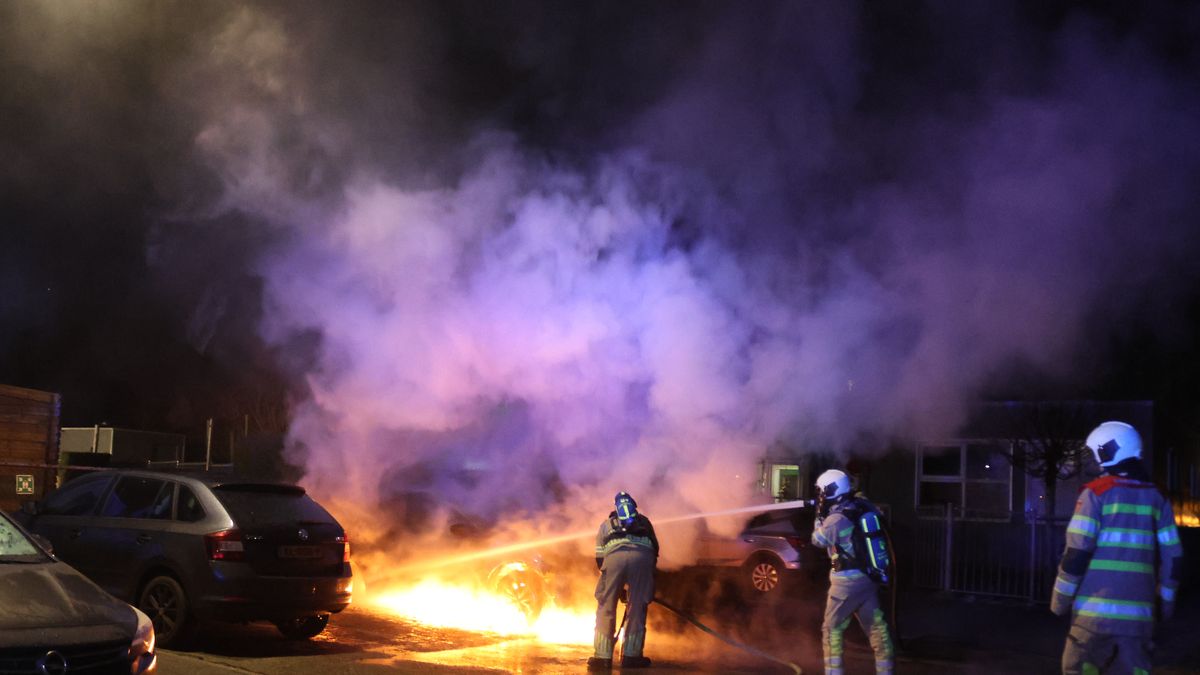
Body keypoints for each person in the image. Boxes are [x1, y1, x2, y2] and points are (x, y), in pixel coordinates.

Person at [1051, 421, 1183, 675]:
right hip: (1140, 619)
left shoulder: (1095, 494)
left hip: (1093, 618)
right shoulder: (1157, 497)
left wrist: (1059, 601)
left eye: (1093, 453)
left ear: (1108, 452)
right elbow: (1174, 557)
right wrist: (1165, 604)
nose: (1092, 461)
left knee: (1078, 669)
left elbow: (1077, 554)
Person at [812, 469, 894, 675]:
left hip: (846, 583)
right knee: (878, 632)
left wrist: (819, 516)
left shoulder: (837, 518)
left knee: (831, 631)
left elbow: (818, 540)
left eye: (821, 492)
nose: (820, 496)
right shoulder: (861, 506)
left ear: (829, 491)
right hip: (868, 578)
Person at [588, 491, 659, 671]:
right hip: (644, 558)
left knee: (606, 605)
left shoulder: (606, 525)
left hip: (614, 558)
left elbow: (599, 558)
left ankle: (602, 657)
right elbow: (655, 549)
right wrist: (644, 581)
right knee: (638, 607)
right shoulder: (645, 522)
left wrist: (614, 587)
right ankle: (632, 656)